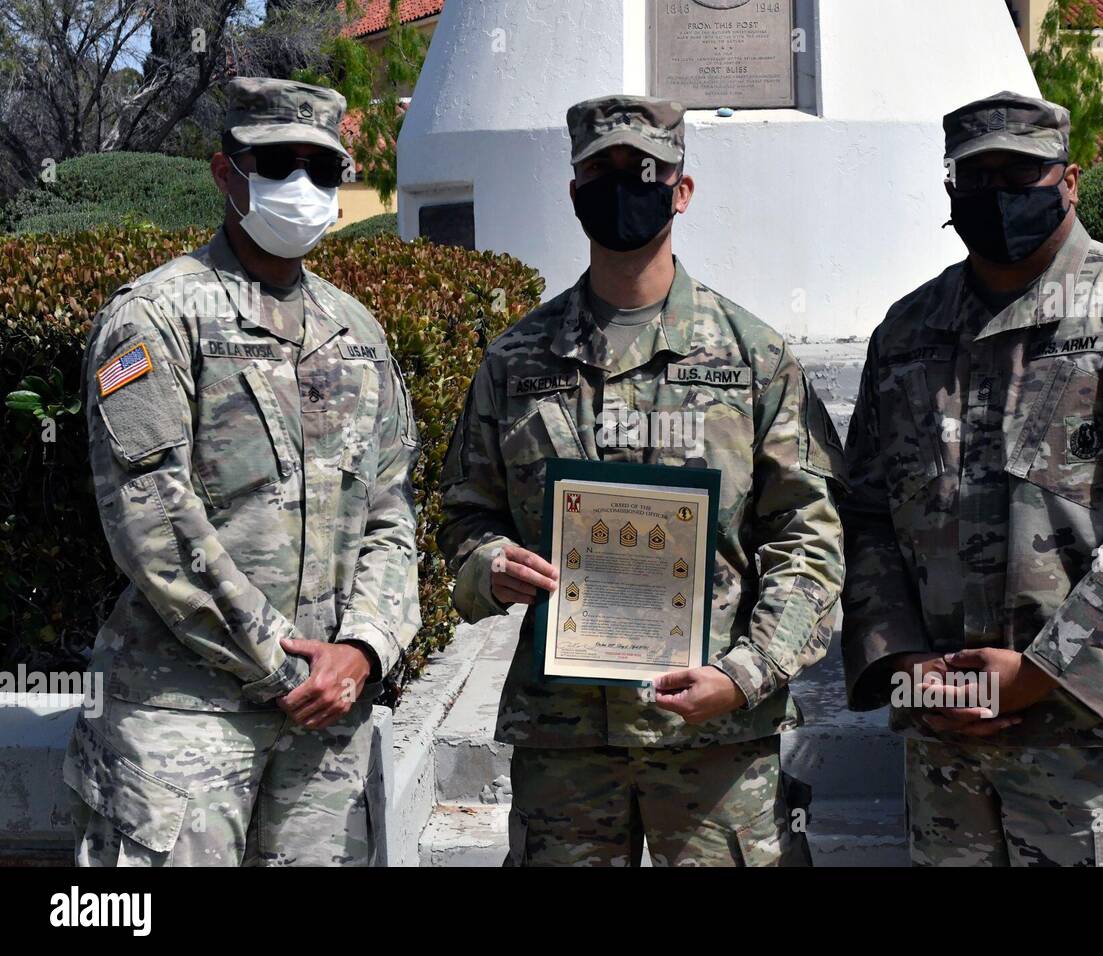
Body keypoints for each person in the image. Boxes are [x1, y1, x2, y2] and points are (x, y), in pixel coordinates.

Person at [437, 95, 845, 866]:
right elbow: (464, 517)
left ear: (681, 189)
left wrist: (748, 671)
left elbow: (809, 540)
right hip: (567, 745)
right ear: (574, 189)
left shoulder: (754, 359)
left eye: (646, 169)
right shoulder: (515, 363)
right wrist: (488, 568)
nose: (624, 184)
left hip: (716, 740)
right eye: (602, 170)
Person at [840, 91, 1103, 866]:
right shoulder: (908, 333)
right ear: (951, 190)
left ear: (1069, 180)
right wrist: (904, 665)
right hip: (949, 753)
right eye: (977, 177)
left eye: (1020, 174)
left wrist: (1045, 673)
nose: (998, 194)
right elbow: (867, 515)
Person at [65, 77, 420, 866]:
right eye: (277, 163)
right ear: (226, 173)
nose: (302, 186)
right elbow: (154, 520)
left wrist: (361, 650)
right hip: (183, 720)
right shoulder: (157, 315)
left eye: (322, 170)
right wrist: (284, 662)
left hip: (325, 720)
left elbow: (392, 511)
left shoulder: (357, 331)